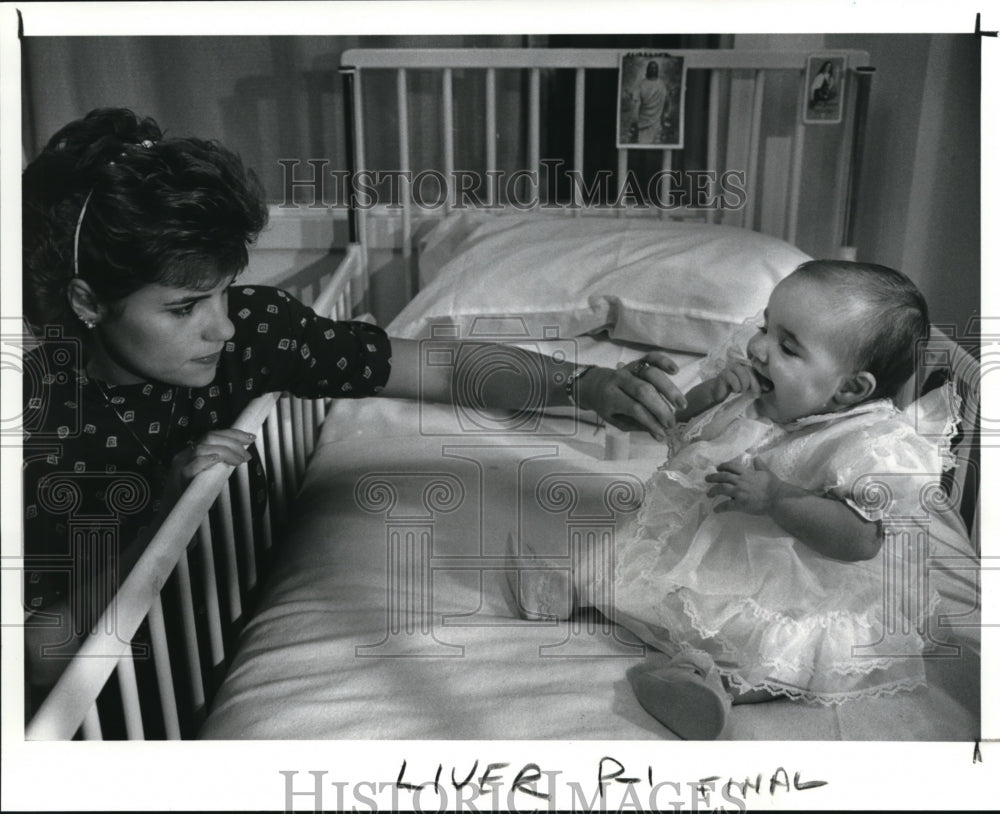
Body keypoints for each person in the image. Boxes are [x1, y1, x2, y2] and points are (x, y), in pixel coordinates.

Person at [21, 107, 687, 700]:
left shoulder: (252, 334)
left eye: (225, 292)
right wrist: (164, 515)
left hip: (208, 644)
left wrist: (585, 387)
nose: (221, 327)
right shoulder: (44, 420)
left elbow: (440, 367)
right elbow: (44, 655)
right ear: (87, 302)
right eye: (184, 307)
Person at [514, 260, 970, 739]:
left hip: (790, 582)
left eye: (787, 346)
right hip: (713, 543)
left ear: (850, 389)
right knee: (633, 560)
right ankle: (575, 589)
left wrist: (780, 498)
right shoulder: (764, 381)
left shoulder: (869, 443)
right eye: (764, 327)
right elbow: (681, 429)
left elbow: (860, 540)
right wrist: (711, 393)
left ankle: (705, 684)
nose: (758, 347)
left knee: (770, 655)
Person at [632, 60, 668, 145]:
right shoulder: (641, 84)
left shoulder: (661, 84)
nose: (653, 70)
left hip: (656, 122)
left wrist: (663, 116)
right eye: (651, 68)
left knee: (655, 147)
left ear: (657, 70)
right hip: (644, 122)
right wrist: (635, 119)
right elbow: (636, 103)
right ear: (647, 69)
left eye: (655, 68)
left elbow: (666, 101)